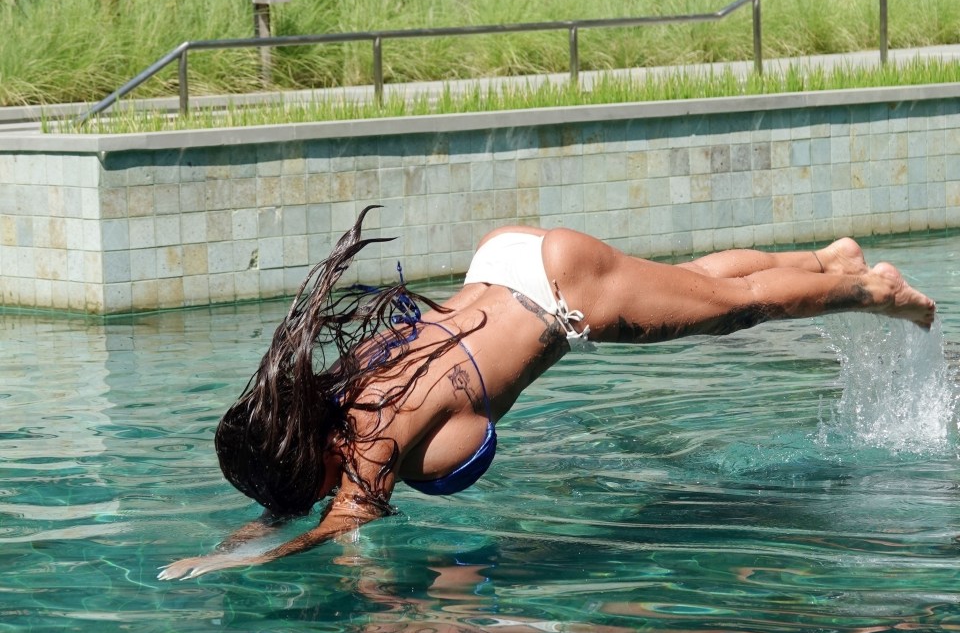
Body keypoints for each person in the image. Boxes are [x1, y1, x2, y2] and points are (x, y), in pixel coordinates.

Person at [158, 206, 936, 580]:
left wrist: (237, 562)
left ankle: (873, 291)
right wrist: (241, 533)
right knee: (695, 285)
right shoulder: (347, 388)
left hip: (562, 298)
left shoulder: (371, 445)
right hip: (506, 261)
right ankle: (830, 257)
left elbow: (340, 527)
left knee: (738, 309)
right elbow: (314, 503)